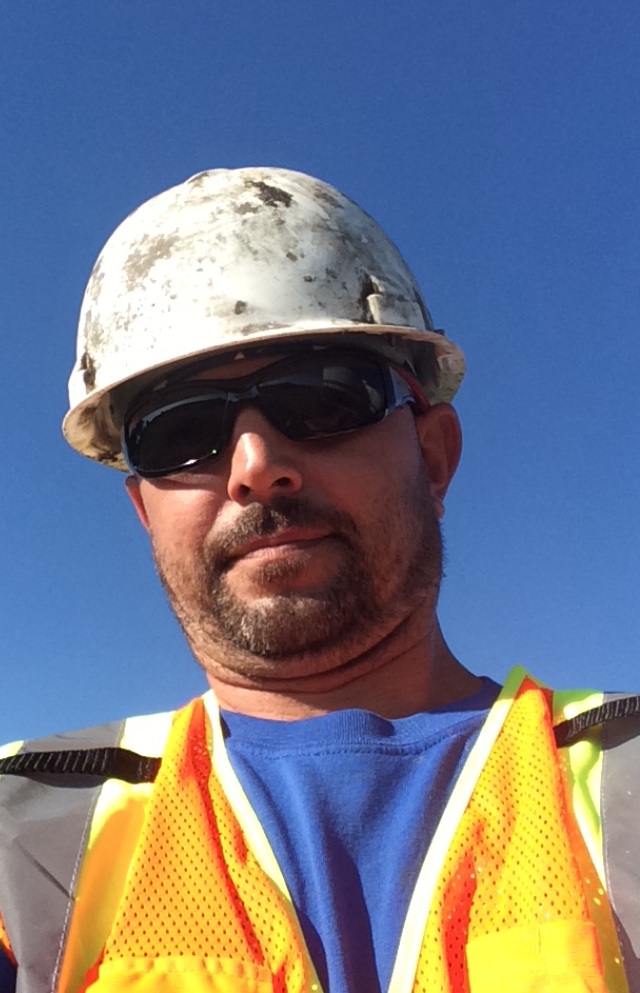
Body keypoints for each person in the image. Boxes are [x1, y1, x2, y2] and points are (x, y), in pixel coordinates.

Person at [0, 167, 638, 993]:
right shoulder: (25, 839)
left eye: (324, 399)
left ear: (435, 458)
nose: (256, 467)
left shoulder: (620, 790)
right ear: (144, 514)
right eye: (181, 432)